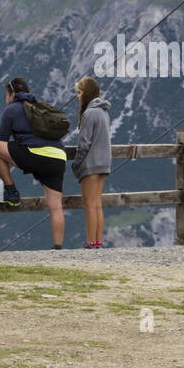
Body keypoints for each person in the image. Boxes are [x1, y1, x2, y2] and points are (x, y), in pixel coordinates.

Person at [0, 77, 68, 249]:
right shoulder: (40, 106)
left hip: (35, 154)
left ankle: (11, 191)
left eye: (6, 95)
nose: (6, 99)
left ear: (11, 94)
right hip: (58, 157)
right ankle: (58, 248)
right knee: (56, 207)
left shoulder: (11, 110)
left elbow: (1, 141)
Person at [70, 76, 111, 249]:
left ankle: (90, 242)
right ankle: (98, 241)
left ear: (86, 93)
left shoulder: (89, 113)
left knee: (89, 205)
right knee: (97, 204)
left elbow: (84, 144)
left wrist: (76, 164)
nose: (78, 96)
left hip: (91, 165)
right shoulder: (104, 111)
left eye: (79, 93)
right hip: (104, 163)